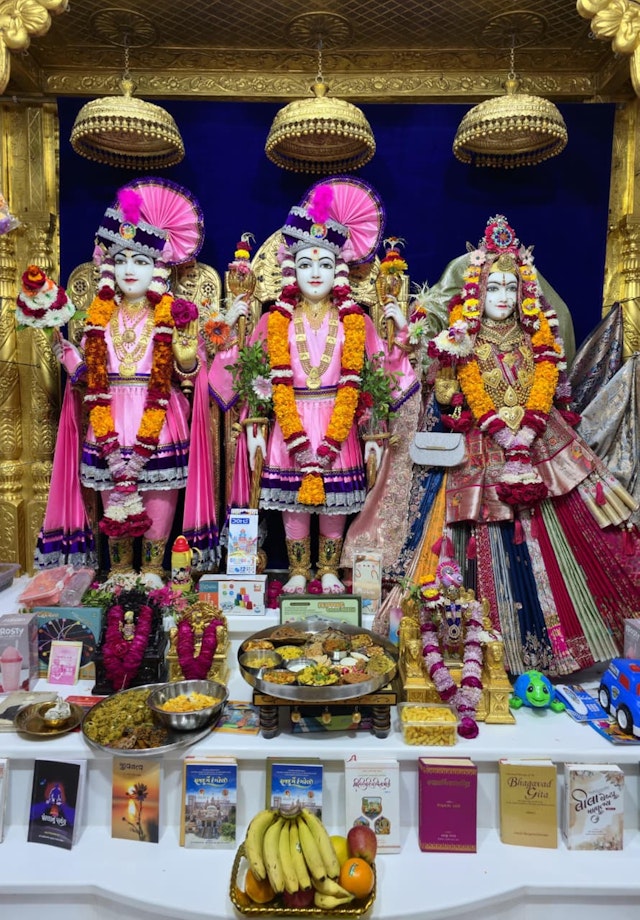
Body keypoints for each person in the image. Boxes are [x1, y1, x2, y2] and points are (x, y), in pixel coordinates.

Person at [381, 215, 640, 676]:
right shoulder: (461, 339)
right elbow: (439, 391)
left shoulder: (537, 338)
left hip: (539, 441)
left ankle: (555, 648)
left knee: (561, 533)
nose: (502, 297)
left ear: (523, 292)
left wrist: (527, 422)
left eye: (510, 288)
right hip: (479, 447)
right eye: (493, 288)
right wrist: (435, 363)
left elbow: (549, 385)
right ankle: (477, 647)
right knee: (478, 537)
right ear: (477, 292)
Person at [210, 177, 418, 593]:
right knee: (293, 501)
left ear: (338, 270)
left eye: (324, 264)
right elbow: (244, 375)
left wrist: (400, 335)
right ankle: (298, 569)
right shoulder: (274, 321)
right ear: (293, 271)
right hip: (290, 419)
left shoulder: (356, 321)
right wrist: (228, 331)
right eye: (306, 264)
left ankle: (328, 568)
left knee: (334, 501)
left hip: (339, 416)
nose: (315, 273)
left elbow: (384, 373)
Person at [35, 177, 218, 582]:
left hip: (160, 417)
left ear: (158, 267)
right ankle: (119, 572)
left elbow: (188, 374)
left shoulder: (172, 315)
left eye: (141, 261)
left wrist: (188, 356)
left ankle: (152, 570)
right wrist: (64, 349)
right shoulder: (96, 318)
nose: (130, 270)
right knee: (113, 498)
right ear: (109, 267)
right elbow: (87, 377)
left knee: (157, 495)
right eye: (122, 261)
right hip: (109, 419)